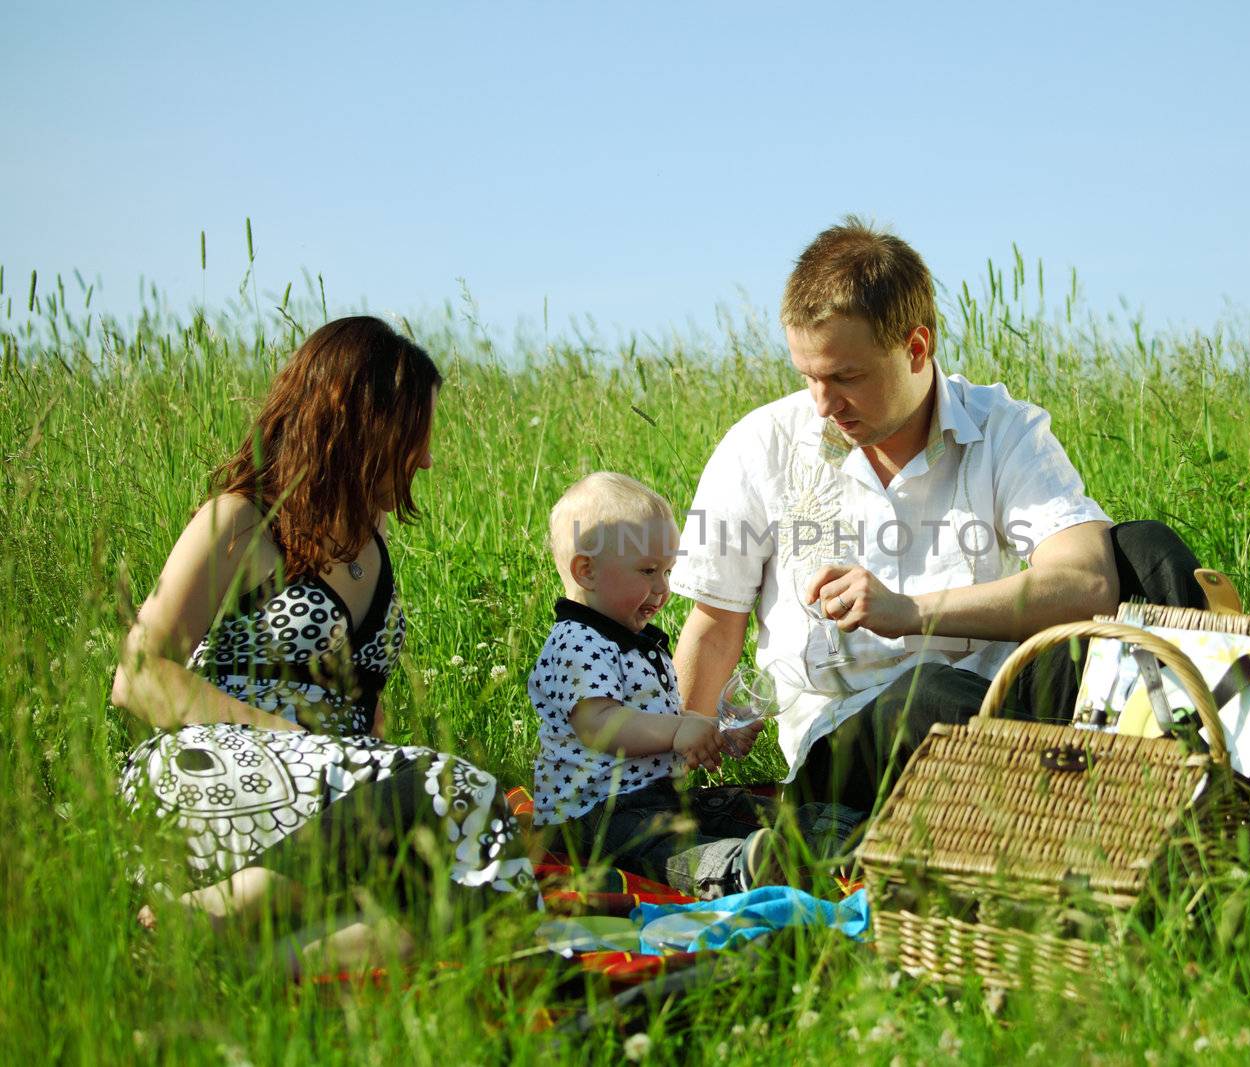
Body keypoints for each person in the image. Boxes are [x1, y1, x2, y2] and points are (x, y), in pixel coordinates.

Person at [669, 218, 1209, 815]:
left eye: (846, 377)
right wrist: (671, 768)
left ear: (916, 347)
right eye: (808, 376)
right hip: (850, 749)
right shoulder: (760, 446)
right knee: (927, 694)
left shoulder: (1003, 428)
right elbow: (716, 622)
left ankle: (1222, 790)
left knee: (1144, 552)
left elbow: (1086, 583)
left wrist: (909, 613)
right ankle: (1110, 807)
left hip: (1007, 705)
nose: (823, 404)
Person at [113, 316, 539, 960]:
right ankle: (227, 909)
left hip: (339, 800)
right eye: (413, 435)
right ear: (356, 426)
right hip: (220, 774)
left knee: (479, 898)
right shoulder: (241, 520)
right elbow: (139, 677)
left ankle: (230, 959)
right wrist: (305, 744)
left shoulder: (375, 544)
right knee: (456, 792)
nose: (426, 456)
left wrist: (372, 768)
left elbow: (367, 709)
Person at [528, 472, 817, 898]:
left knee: (733, 806)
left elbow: (654, 722)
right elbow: (600, 725)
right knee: (660, 846)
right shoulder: (577, 642)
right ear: (586, 571)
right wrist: (680, 730)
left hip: (656, 797)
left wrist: (710, 731)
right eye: (648, 571)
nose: (663, 589)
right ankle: (738, 870)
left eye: (667, 571)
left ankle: (829, 832)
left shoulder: (632, 641)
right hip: (593, 817)